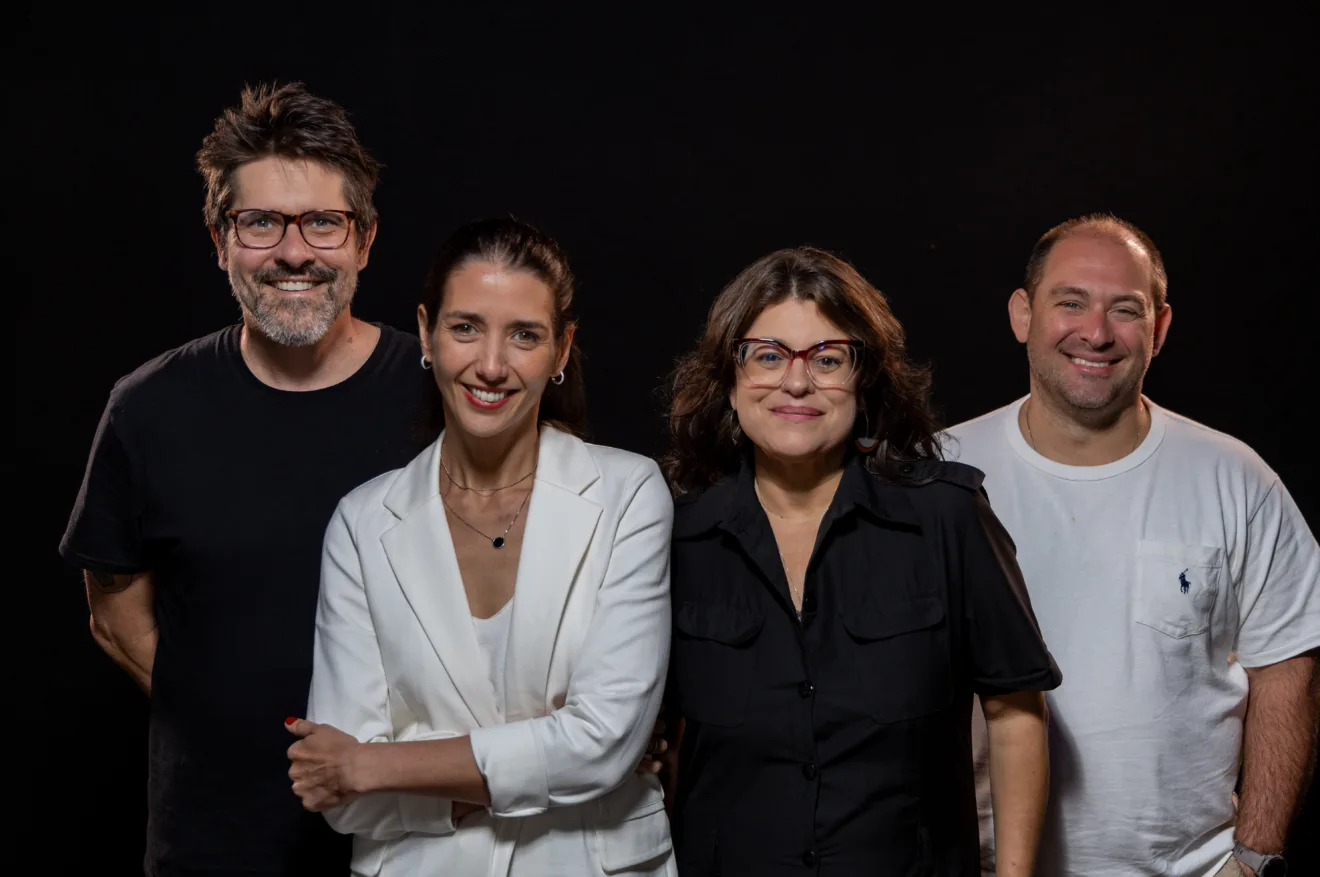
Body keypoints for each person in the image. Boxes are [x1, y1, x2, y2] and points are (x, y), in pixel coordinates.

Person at [58, 82, 432, 876]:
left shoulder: (439, 397)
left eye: (323, 222)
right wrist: (224, 723)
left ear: (364, 240)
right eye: (260, 221)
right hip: (214, 844)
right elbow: (115, 616)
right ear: (219, 239)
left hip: (414, 839)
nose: (293, 252)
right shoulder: (148, 408)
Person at [285, 218, 677, 876]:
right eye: (465, 326)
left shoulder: (628, 491)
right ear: (427, 333)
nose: (491, 365)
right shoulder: (361, 522)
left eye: (524, 335)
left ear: (561, 351)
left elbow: (603, 745)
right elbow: (341, 799)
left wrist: (376, 763)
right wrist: (551, 766)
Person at [659, 247, 1062, 876]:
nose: (797, 382)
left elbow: (1015, 712)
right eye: (768, 355)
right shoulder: (673, 536)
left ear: (865, 378)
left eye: (827, 359)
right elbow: (659, 748)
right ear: (729, 380)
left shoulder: (946, 517)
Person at [947, 214, 1320, 877]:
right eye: (1071, 302)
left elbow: (1287, 666)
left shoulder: (1234, 478)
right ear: (1022, 314)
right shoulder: (937, 475)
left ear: (1161, 329)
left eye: (1126, 309)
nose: (1096, 331)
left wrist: (1254, 856)